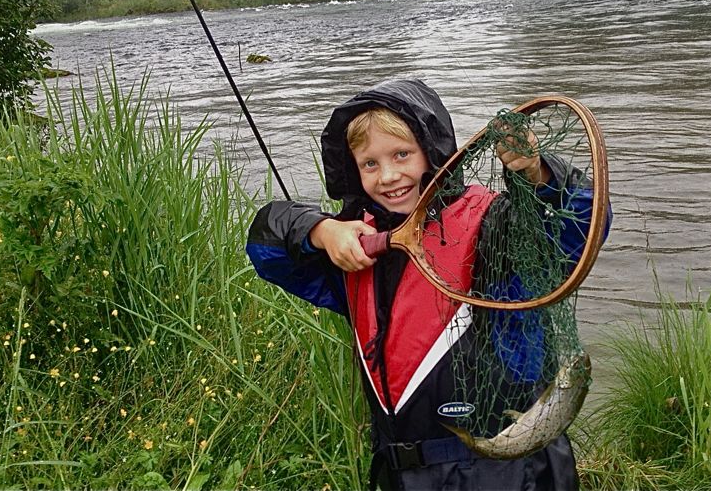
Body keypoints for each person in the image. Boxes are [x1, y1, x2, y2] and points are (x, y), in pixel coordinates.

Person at [246, 78, 609, 490]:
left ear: (431, 152)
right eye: (370, 163)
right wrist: (319, 230)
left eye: (402, 154)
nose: (388, 176)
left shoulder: (493, 227)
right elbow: (267, 250)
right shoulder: (352, 248)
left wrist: (536, 171)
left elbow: (582, 222)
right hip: (402, 472)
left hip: (508, 472)